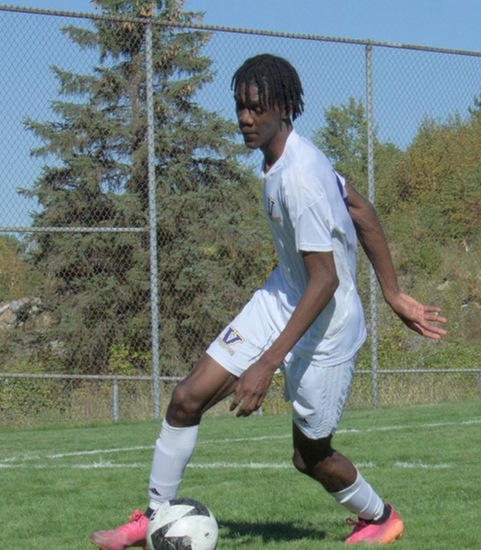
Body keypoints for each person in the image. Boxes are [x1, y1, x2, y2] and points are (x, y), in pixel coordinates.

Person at [90, 53, 446, 548]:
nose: (244, 118)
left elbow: (324, 283)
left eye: (255, 108)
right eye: (239, 107)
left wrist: (264, 365)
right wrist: (391, 292)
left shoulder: (301, 176)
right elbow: (360, 207)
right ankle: (151, 516)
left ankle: (382, 516)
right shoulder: (285, 158)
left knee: (310, 457)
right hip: (284, 297)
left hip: (327, 327)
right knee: (186, 399)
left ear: (284, 107)